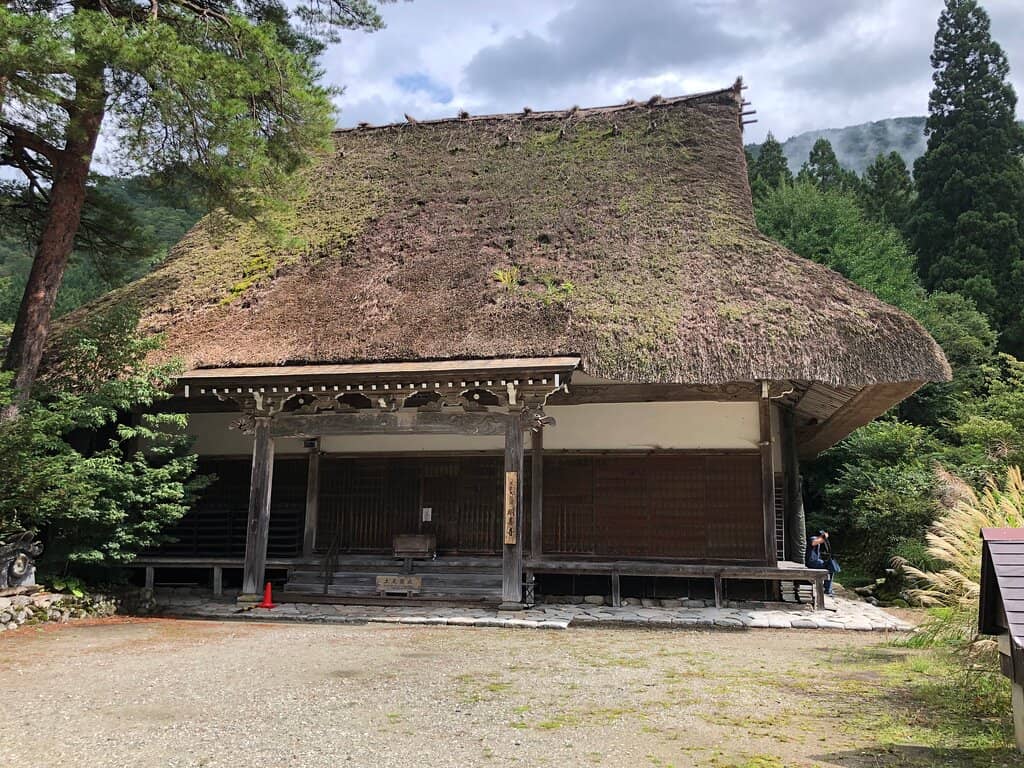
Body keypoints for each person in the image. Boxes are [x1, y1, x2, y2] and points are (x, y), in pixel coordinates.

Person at [806, 530, 841, 596]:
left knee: (831, 567)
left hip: (815, 561)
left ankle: (828, 589)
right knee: (831, 566)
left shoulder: (817, 541)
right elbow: (813, 543)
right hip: (812, 562)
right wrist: (824, 537)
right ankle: (827, 590)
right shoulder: (813, 538)